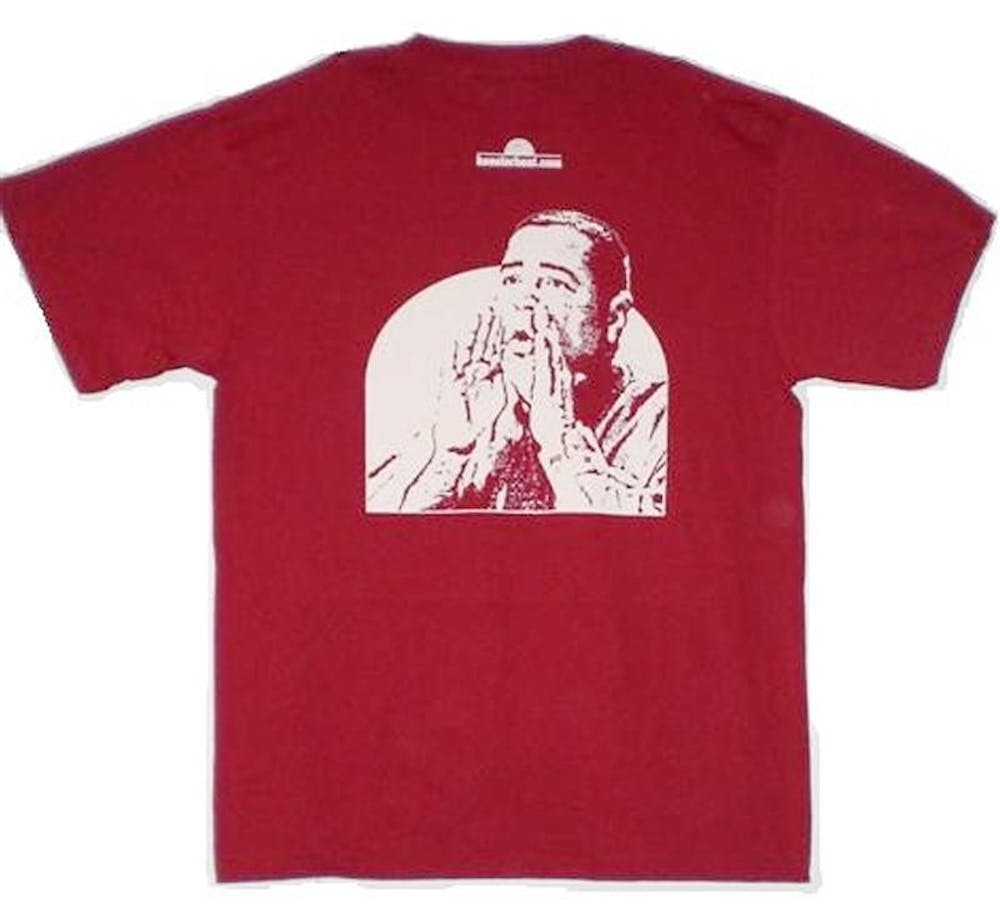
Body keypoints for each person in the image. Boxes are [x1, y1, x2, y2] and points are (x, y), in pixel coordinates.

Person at [366, 209, 668, 515]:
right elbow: (372, 525)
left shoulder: (659, 416)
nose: (524, 299)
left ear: (614, 318)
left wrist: (559, 442)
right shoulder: (482, 411)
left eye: (554, 283)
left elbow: (640, 535)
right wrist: (450, 453)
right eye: (512, 279)